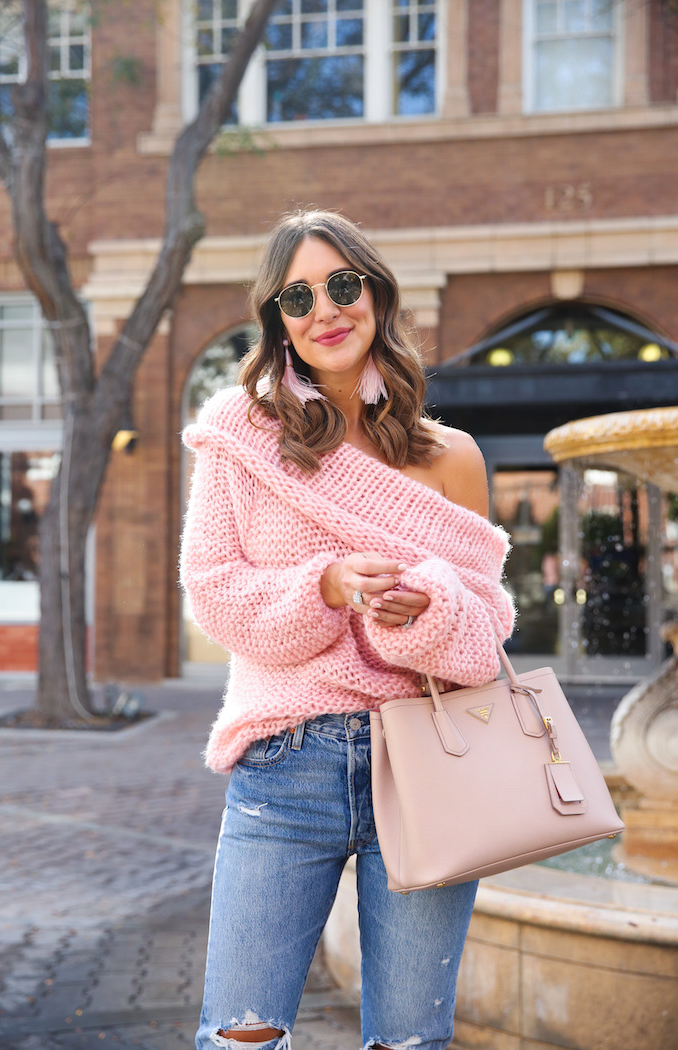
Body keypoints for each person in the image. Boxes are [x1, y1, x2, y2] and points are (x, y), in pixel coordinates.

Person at [181, 209, 515, 1050]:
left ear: (375, 293)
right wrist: (324, 585)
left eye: (341, 284)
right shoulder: (241, 436)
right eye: (298, 295)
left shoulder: (452, 456)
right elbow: (215, 594)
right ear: (278, 320)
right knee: (239, 1036)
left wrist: (427, 611)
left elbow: (485, 633)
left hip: (430, 769)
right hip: (286, 765)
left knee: (410, 1040)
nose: (324, 309)